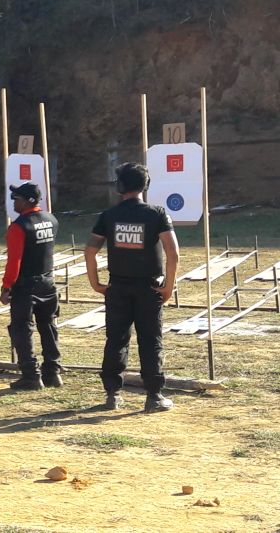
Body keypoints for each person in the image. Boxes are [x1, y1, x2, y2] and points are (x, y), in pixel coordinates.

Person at [85, 162, 179, 413]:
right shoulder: (157, 214)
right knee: (151, 341)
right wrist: (169, 286)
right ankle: (154, 396)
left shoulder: (108, 216)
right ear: (145, 186)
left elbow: (90, 251)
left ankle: (112, 395)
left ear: (119, 187)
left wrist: (95, 283)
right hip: (148, 289)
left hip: (117, 288)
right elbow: (173, 252)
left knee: (115, 340)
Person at [0, 182, 61, 390]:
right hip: (48, 282)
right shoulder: (51, 220)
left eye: (16, 199)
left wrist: (6, 287)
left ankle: (31, 375)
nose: (13, 202)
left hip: (26, 286)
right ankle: (52, 372)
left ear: (28, 201)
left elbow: (14, 261)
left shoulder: (19, 226)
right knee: (48, 326)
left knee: (21, 329)